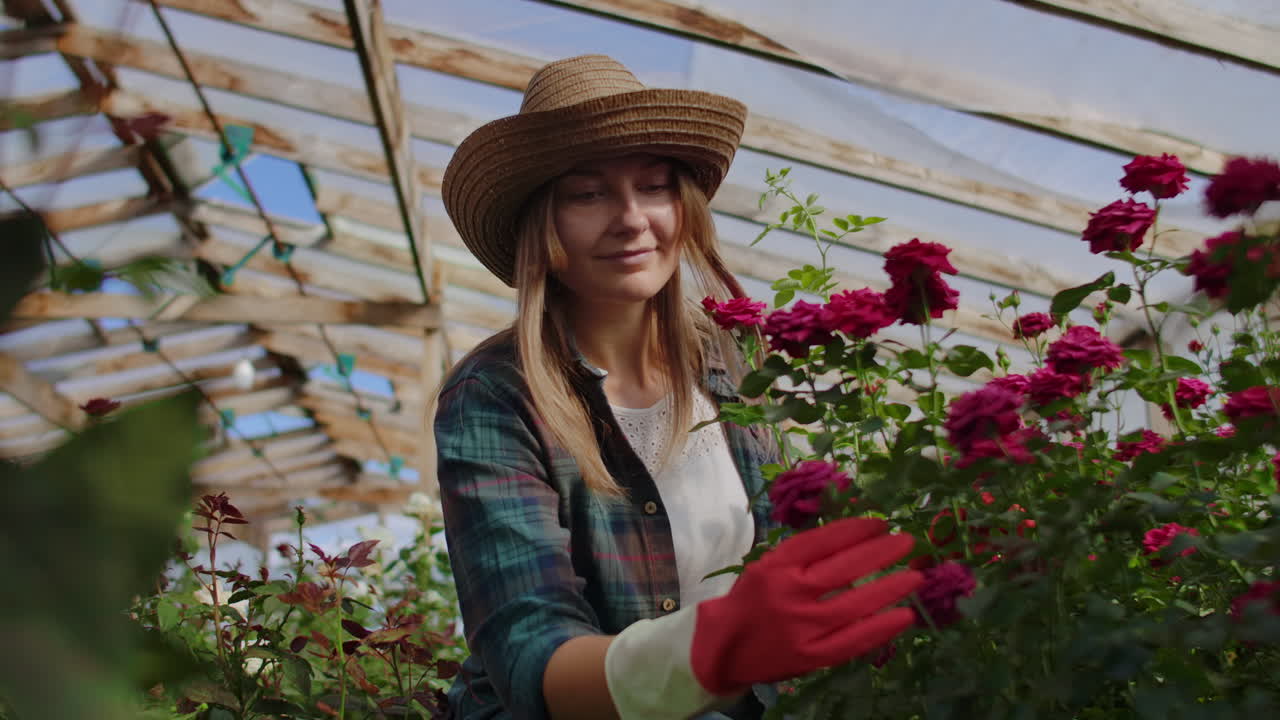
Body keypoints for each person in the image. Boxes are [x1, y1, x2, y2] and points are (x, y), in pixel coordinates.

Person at [434, 54, 923, 720]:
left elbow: (791, 550)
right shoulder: (495, 395)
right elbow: (529, 654)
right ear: (539, 224)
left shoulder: (736, 361)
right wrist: (715, 648)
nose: (632, 218)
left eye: (655, 185)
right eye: (587, 193)